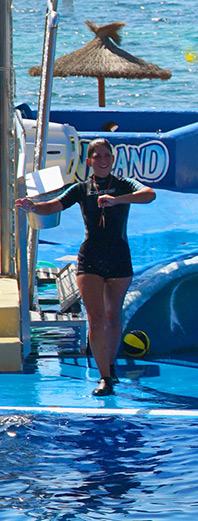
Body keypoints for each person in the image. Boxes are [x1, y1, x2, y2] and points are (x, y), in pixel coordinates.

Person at [16, 139, 155, 396]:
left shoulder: (124, 185)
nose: (103, 160)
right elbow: (55, 205)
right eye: (97, 156)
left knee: (113, 317)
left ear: (112, 160)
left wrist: (117, 200)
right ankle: (104, 377)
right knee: (96, 317)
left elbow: (149, 195)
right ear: (89, 161)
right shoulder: (82, 189)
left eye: (107, 156)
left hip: (119, 257)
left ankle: (110, 365)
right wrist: (32, 207)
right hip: (90, 258)